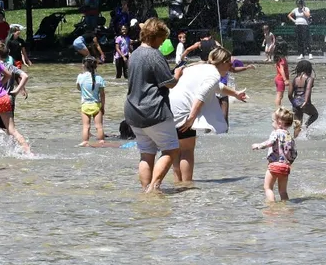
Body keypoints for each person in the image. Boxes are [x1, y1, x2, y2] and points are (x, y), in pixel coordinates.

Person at [170, 47, 247, 186]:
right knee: (187, 149)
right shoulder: (213, 74)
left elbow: (216, 87)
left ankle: (178, 183)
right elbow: (202, 95)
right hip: (182, 109)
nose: (231, 66)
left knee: (176, 149)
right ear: (223, 62)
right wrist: (192, 117)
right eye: (229, 63)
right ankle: (186, 186)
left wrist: (235, 94)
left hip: (169, 106)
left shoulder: (202, 67)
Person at [126, 17, 182, 193]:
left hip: (133, 111)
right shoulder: (154, 54)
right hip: (154, 111)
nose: (163, 42)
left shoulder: (134, 54)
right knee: (171, 150)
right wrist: (178, 74)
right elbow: (170, 83)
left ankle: (145, 191)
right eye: (162, 38)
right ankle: (154, 187)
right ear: (155, 36)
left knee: (146, 153)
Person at [252, 107, 297, 203]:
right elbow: (294, 153)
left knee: (268, 188)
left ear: (279, 123)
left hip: (274, 165)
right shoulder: (289, 136)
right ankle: (285, 206)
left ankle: (272, 205)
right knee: (283, 191)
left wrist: (259, 145)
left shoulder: (276, 133)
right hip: (285, 166)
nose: (272, 123)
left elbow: (270, 142)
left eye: (273, 121)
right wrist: (289, 163)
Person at [289, 58, 318, 135]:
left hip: (295, 102)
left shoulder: (294, 79)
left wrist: (293, 102)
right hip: (305, 102)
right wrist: (306, 101)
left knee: (297, 124)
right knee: (315, 115)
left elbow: (289, 94)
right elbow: (308, 89)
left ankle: (295, 139)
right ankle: (306, 126)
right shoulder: (309, 79)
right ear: (309, 69)